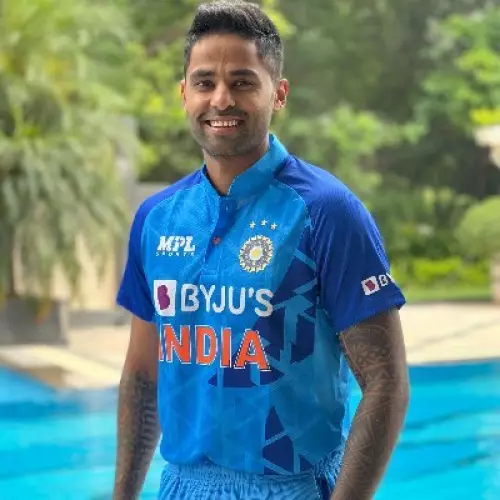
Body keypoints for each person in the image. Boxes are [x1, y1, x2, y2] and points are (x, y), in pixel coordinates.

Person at [112, 1, 410, 499]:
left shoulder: (326, 211)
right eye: (205, 82)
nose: (221, 99)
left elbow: (385, 381)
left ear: (279, 94)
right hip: (182, 488)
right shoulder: (157, 218)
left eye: (243, 82)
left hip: (291, 487)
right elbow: (143, 374)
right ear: (184, 94)